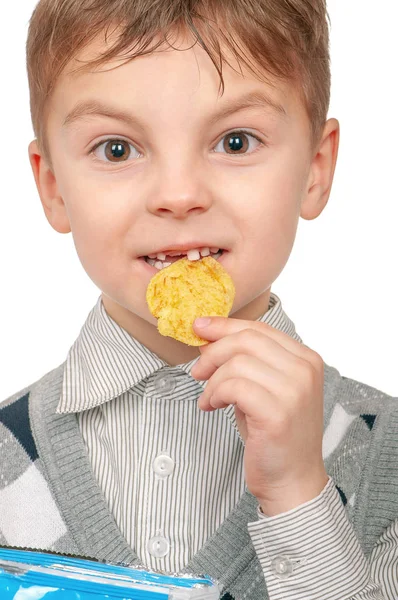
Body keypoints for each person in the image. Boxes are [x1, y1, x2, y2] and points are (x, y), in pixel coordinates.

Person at [0, 0, 397, 598]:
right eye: (116, 149)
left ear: (316, 168)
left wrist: (300, 497)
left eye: (235, 142)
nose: (179, 194)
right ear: (52, 186)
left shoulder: (384, 458)